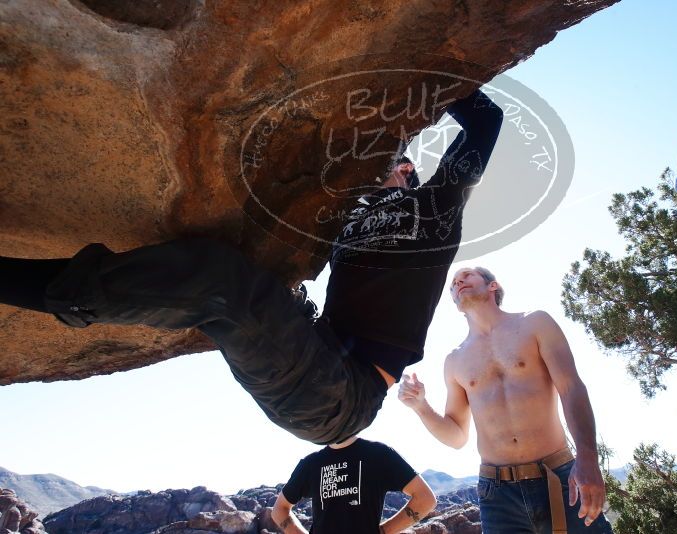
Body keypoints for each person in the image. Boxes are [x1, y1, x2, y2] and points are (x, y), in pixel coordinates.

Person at [0, 88, 503, 445]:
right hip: (314, 355)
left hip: (339, 397)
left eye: (386, 162)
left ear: (408, 170)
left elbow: (487, 122)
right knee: (223, 282)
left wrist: (426, 81)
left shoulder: (434, 210)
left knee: (222, 285)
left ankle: (36, 286)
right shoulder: (352, 217)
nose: (370, 171)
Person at [398, 267, 612, 533]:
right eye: (453, 283)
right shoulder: (455, 361)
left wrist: (588, 457)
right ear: (455, 303)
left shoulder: (535, 324)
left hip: (560, 478)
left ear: (493, 286)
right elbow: (456, 436)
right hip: (497, 494)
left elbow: (571, 388)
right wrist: (421, 407)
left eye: (466, 275)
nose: (458, 281)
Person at [271, 435, 436, 534]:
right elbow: (279, 510)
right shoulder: (311, 464)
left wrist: (385, 530)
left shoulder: (379, 454)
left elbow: (425, 499)